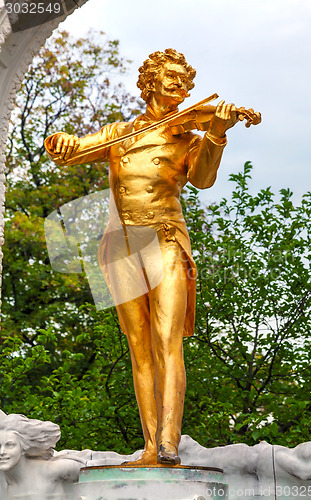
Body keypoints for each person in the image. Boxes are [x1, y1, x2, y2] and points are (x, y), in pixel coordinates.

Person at [45, 48, 239, 466]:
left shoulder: (188, 138)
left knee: (167, 340)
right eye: (172, 77)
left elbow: (203, 180)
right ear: (150, 81)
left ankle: (170, 441)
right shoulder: (119, 134)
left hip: (165, 236)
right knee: (138, 346)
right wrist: (60, 142)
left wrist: (218, 134)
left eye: (185, 82)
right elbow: (72, 151)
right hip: (120, 244)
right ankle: (150, 446)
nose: (181, 87)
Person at [0, 413, 86, 500]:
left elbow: (94, 469)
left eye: (10, 445)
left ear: (23, 447)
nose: (2, 452)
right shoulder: (3, 483)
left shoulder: (53, 470)